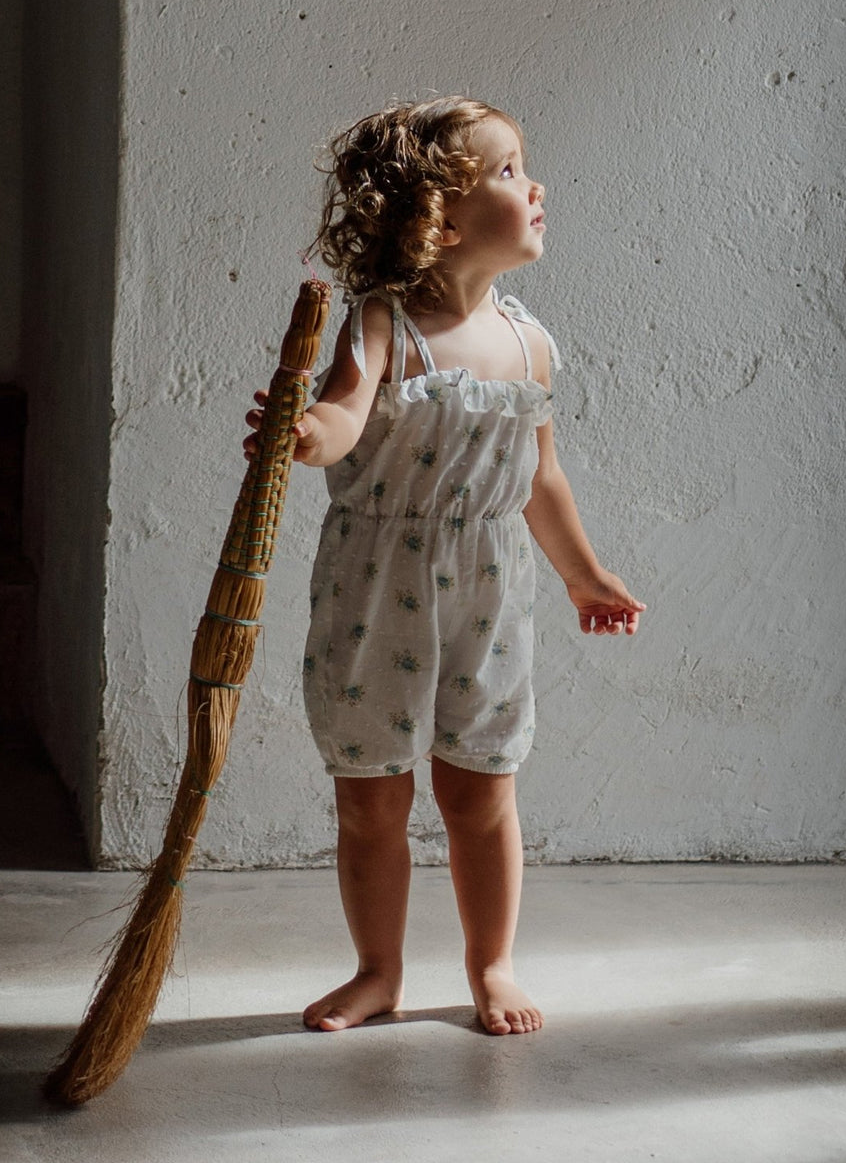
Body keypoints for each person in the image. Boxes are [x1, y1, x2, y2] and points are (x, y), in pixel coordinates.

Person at [244, 98, 645, 1037]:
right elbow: (346, 412)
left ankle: (492, 964)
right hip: (376, 587)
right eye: (509, 172)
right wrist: (306, 433)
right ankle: (378, 969)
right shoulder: (382, 322)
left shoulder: (529, 341)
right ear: (442, 217)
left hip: (491, 590)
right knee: (373, 798)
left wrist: (586, 576)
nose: (536, 186)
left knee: (481, 787)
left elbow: (541, 477)